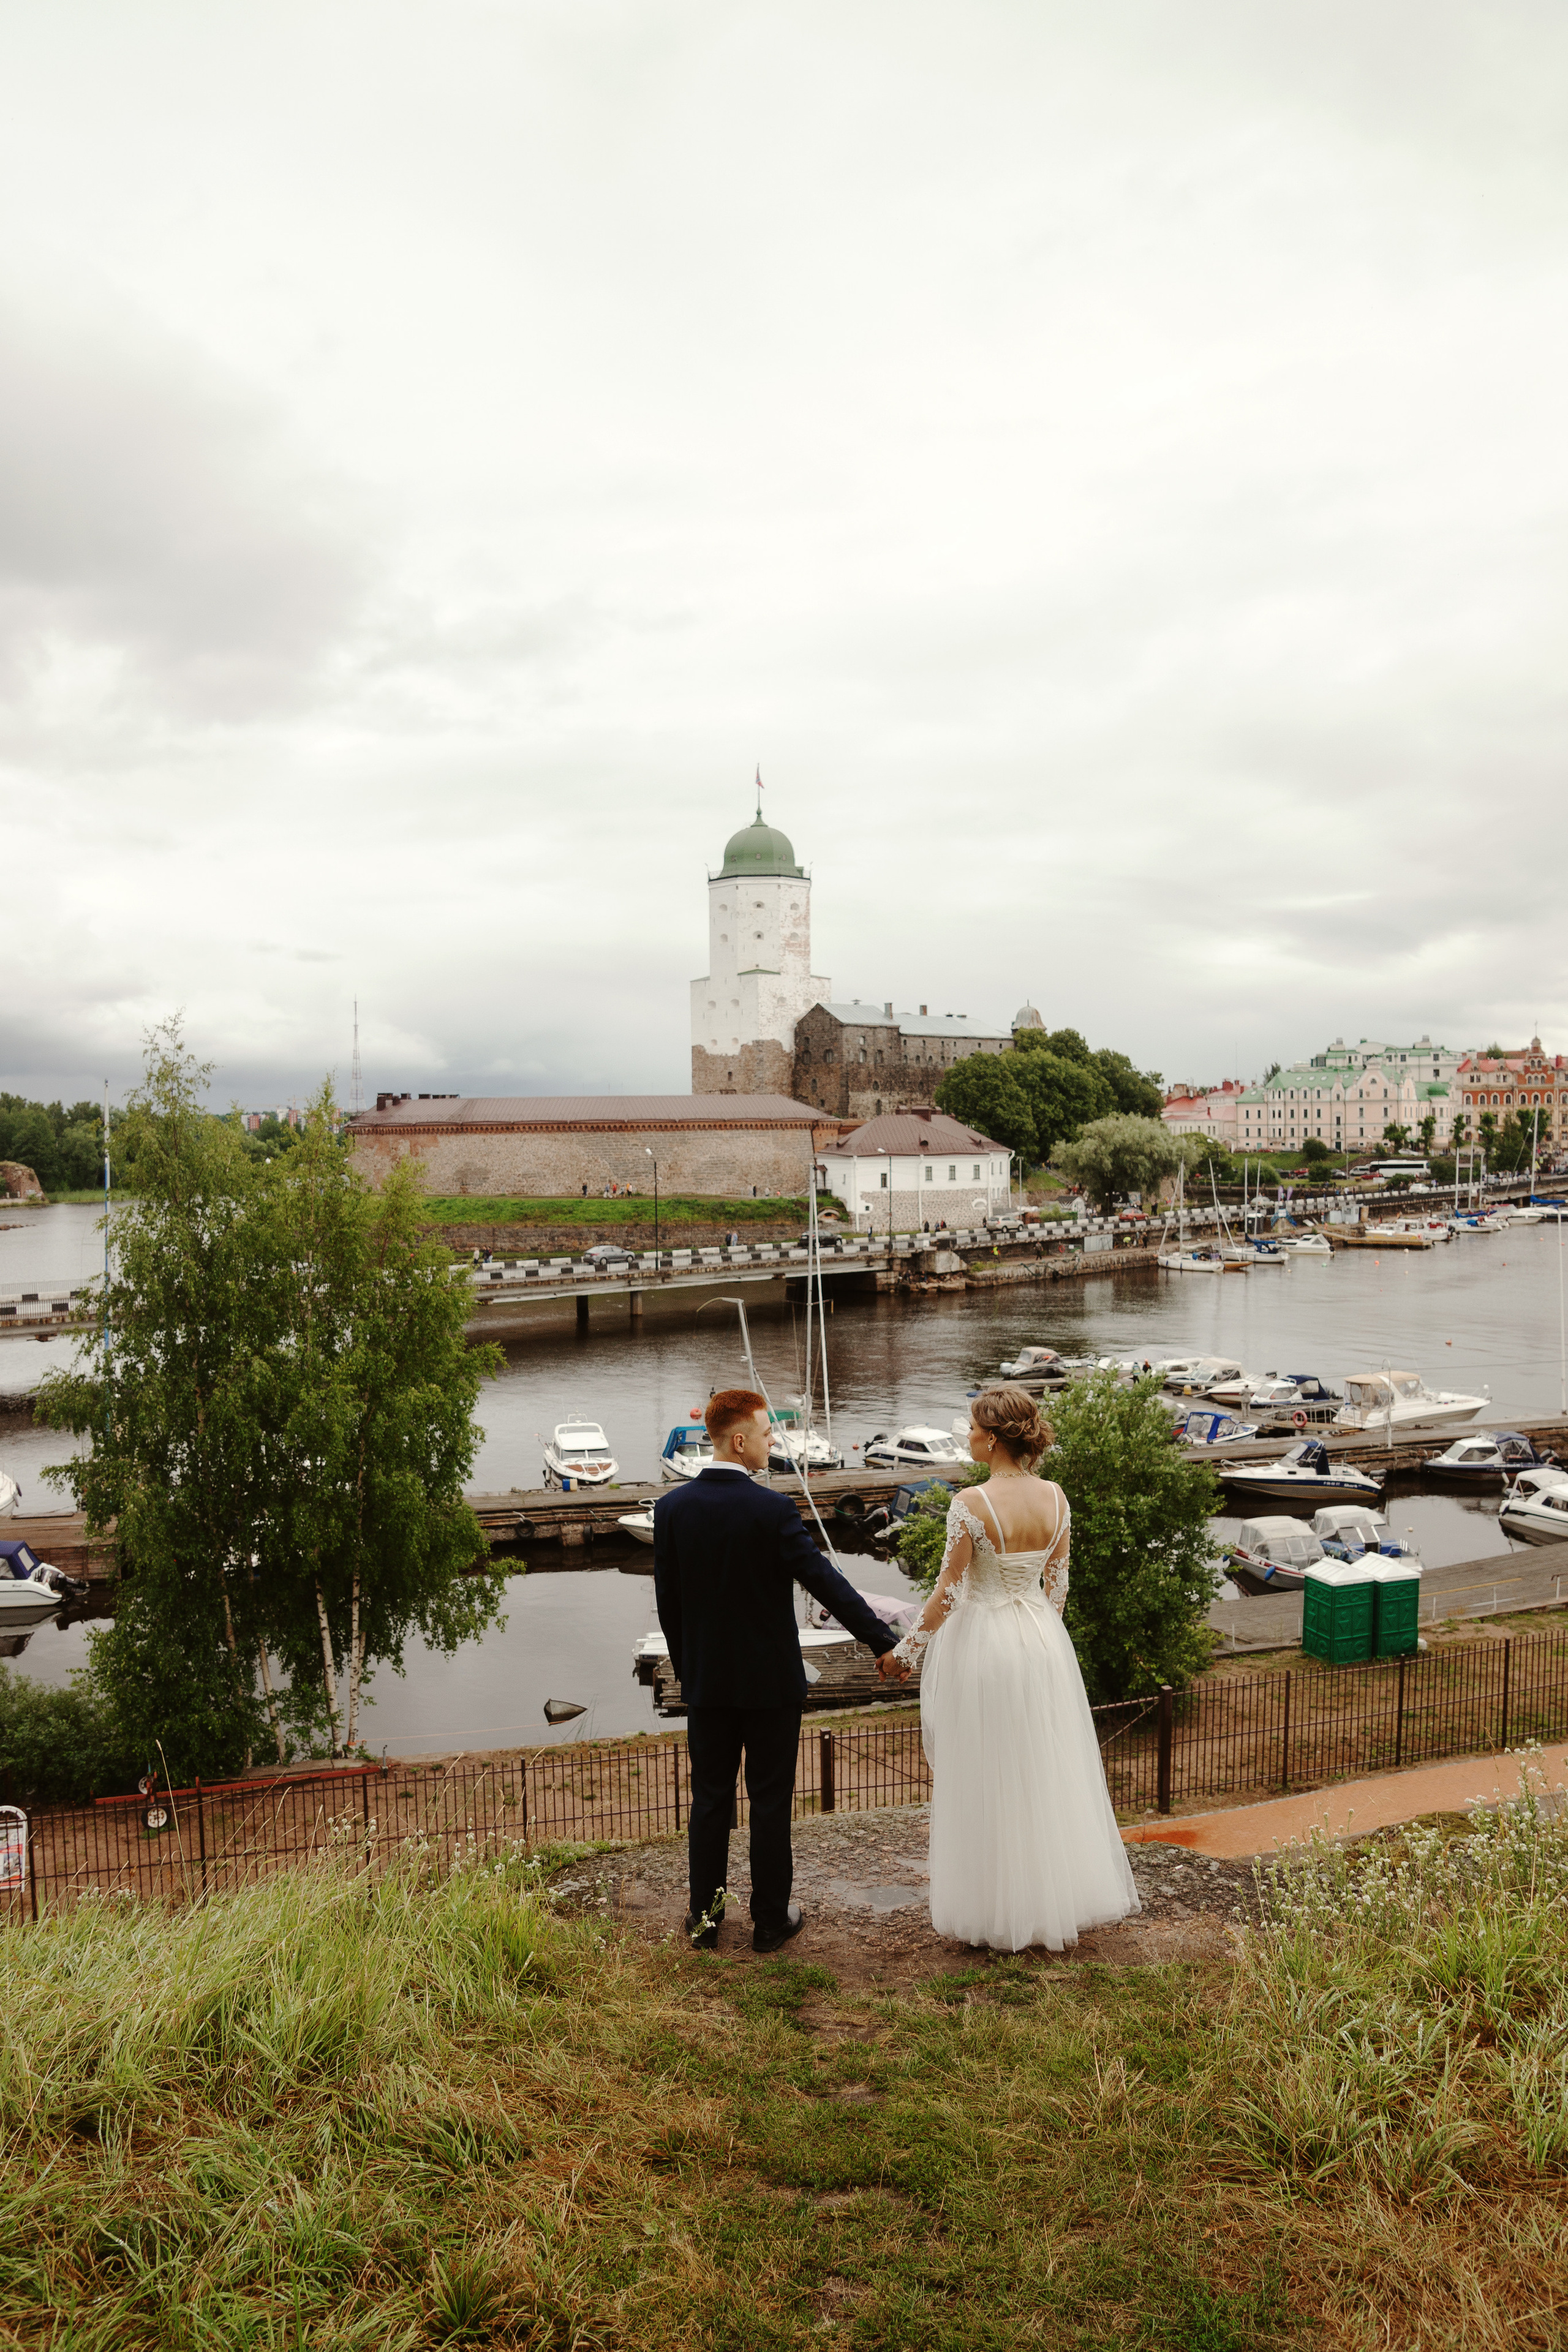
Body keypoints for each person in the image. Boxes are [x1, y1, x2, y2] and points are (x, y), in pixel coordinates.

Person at [654, 1389, 906, 1952]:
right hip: (770, 1686)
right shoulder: (771, 1510)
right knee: (770, 1801)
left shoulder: (671, 1509)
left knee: (710, 1799)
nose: (774, 1444)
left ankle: (705, 1920)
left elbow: (668, 1603)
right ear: (739, 1441)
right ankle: (770, 1921)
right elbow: (827, 1583)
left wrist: (691, 1669)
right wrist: (881, 1642)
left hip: (708, 1685)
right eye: (768, 1435)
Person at [892, 1385, 1139, 1951]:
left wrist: (906, 1652)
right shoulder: (1056, 1498)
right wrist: (1038, 1636)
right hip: (1041, 1642)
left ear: (996, 1437)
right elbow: (1059, 1587)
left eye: (975, 1428)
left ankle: (997, 1908)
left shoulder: (971, 1504)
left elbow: (949, 1593)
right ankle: (1052, 1898)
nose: (969, 1436)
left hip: (986, 1645)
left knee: (987, 1768)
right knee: (1039, 1766)